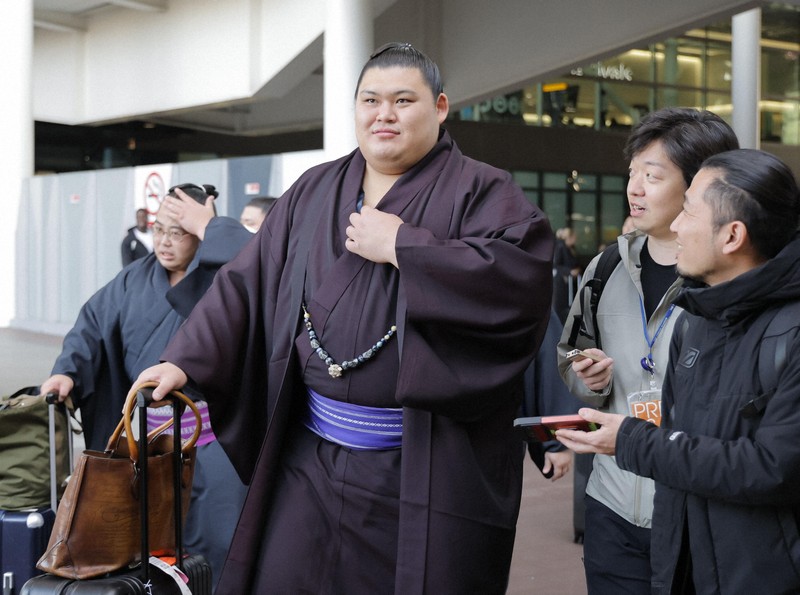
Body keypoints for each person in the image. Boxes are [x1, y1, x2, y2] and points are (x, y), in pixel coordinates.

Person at [135, 42, 554, 594]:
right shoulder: (315, 188)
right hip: (308, 456)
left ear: (441, 107)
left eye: (404, 100)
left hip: (418, 464)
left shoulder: (483, 190)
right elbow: (246, 278)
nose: (384, 114)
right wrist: (183, 360)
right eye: (370, 100)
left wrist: (406, 246)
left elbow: (518, 282)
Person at [557, 149, 800, 594]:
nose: (677, 226)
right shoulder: (697, 318)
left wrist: (631, 440)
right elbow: (681, 463)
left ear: (732, 236)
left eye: (689, 209)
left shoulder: (791, 331)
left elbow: (773, 468)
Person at [556, 108, 738, 594]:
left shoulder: (728, 278)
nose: (634, 188)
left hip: (694, 507)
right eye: (632, 174)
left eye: (652, 176)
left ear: (701, 184)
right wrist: (583, 373)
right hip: (611, 502)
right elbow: (570, 352)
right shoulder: (604, 268)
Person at [40, 183, 253, 591]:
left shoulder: (228, 279)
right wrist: (68, 370)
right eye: (159, 230)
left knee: (221, 540)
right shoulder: (130, 281)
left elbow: (265, 262)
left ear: (202, 235)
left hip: (213, 438)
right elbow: (90, 329)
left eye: (180, 232)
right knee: (143, 544)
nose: (165, 242)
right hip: (146, 442)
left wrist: (214, 227)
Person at [552, 227, 581, 322]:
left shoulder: (570, 248)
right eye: (574, 237)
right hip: (562, 282)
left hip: (570, 283)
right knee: (562, 306)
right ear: (570, 237)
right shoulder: (561, 246)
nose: (575, 240)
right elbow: (556, 264)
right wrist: (569, 272)